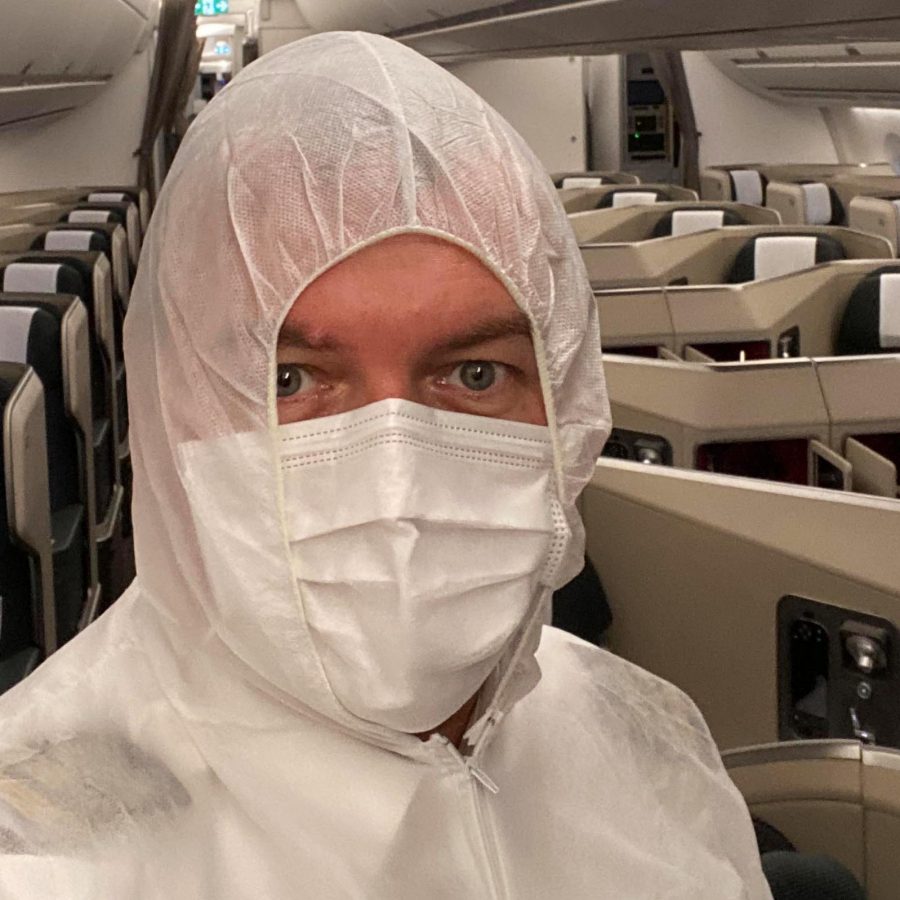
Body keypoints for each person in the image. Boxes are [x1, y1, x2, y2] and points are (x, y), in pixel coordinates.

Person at [0, 32, 772, 898]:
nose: (396, 477)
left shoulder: (647, 741)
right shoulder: (42, 849)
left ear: (567, 403)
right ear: (173, 409)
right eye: (290, 381)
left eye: (475, 374)